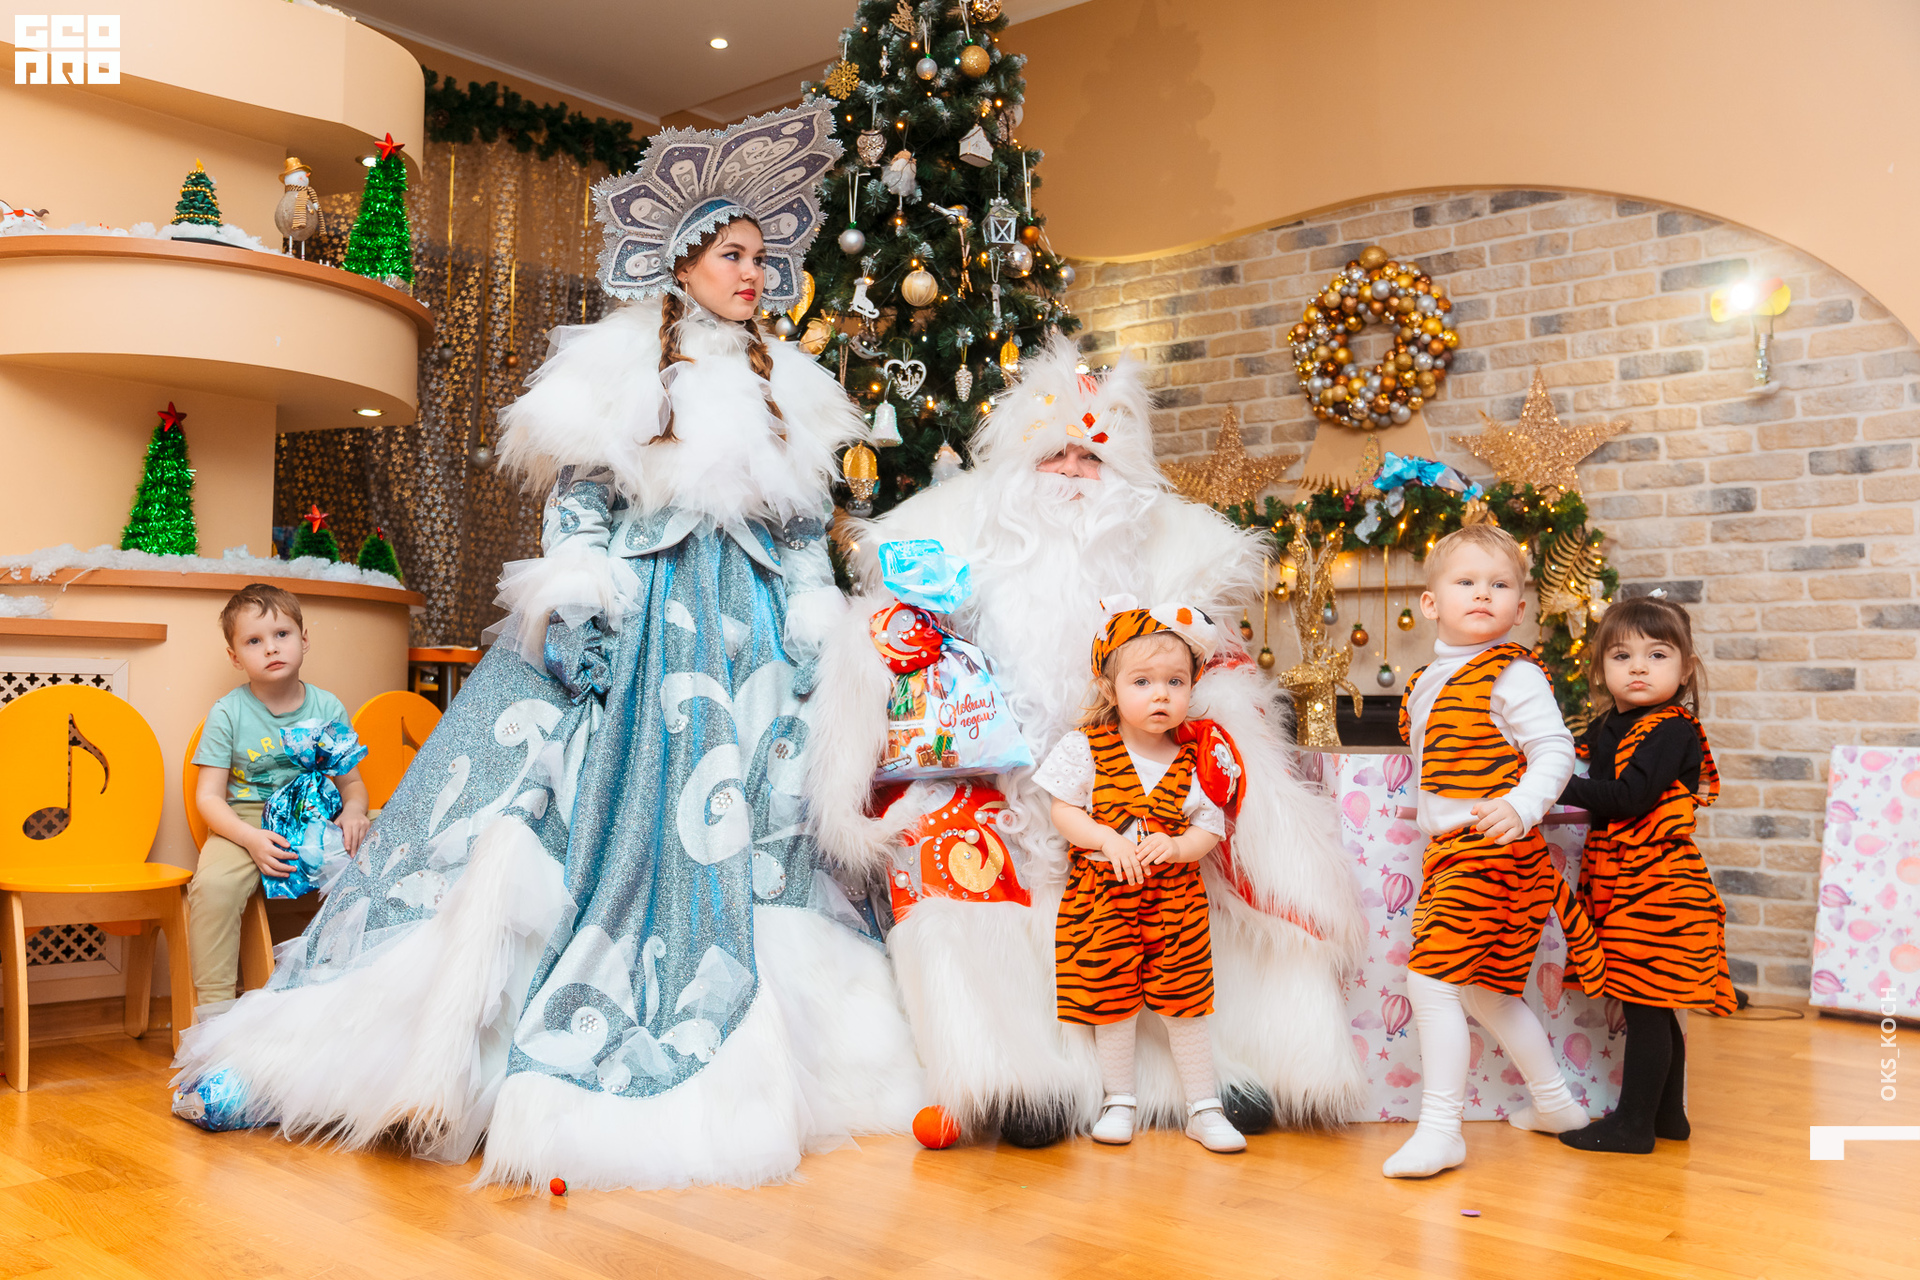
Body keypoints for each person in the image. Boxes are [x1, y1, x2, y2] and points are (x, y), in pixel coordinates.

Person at [170, 104, 924, 1191]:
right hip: (643, 626)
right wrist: (581, 599)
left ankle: (778, 1045)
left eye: (762, 258)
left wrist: (816, 627)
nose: (754, 274)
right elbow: (578, 508)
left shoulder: (792, 389)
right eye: (733, 254)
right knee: (539, 815)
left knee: (765, 831)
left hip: (753, 650)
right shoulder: (620, 368)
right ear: (684, 262)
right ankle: (361, 1052)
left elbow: (806, 536)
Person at [806, 336, 1365, 1146]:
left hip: (1135, 770)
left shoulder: (1176, 550)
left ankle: (1217, 1079)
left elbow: (1220, 672)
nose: (1071, 472)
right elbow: (881, 647)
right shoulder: (947, 537)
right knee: (943, 854)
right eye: (1055, 455)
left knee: (1197, 873)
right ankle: (1016, 1082)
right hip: (989, 780)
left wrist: (1197, 736)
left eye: (1091, 458)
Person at [1384, 524, 1607, 1179]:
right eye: (1467, 582)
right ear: (1431, 604)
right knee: (1488, 993)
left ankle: (1440, 1130)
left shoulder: (1512, 673)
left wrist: (1521, 805)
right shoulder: (1427, 680)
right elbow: (1446, 771)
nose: (1484, 593)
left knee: (1430, 982)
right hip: (1457, 854)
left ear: (1520, 607)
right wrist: (1431, 814)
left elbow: (1554, 750)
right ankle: (1556, 1104)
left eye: (1500, 584)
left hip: (1492, 855)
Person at [1036, 599, 1247, 1153]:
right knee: (1110, 999)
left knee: (1186, 1001)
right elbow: (1063, 810)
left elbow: (1210, 828)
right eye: (1143, 681)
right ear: (1111, 689)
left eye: (1176, 682)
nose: (1161, 695)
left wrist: (1177, 846)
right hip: (1102, 898)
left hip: (1175, 900)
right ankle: (1120, 1100)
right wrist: (1106, 839)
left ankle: (1203, 1107)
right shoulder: (1086, 747)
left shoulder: (1197, 759)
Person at [1558, 596, 1731, 1155]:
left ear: (1685, 671)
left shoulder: (1671, 728)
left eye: (1657, 655)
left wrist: (1555, 784)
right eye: (1621, 655)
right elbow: (1577, 755)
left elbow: (1630, 797)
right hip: (1626, 878)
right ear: (1599, 669)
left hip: (1659, 885)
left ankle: (1633, 1126)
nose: (1638, 667)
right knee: (1652, 1004)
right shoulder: (1608, 724)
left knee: (1647, 1003)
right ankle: (1667, 1117)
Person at [187, 583, 371, 1010]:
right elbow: (208, 798)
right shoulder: (228, 712)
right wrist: (249, 839)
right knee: (213, 886)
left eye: (281, 635)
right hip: (248, 820)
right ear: (235, 657)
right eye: (254, 641)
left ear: (303, 641)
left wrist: (355, 812)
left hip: (317, 816)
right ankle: (214, 1013)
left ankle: (360, 988)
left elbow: (352, 784)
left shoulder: (327, 707)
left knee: (386, 847)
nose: (271, 648)